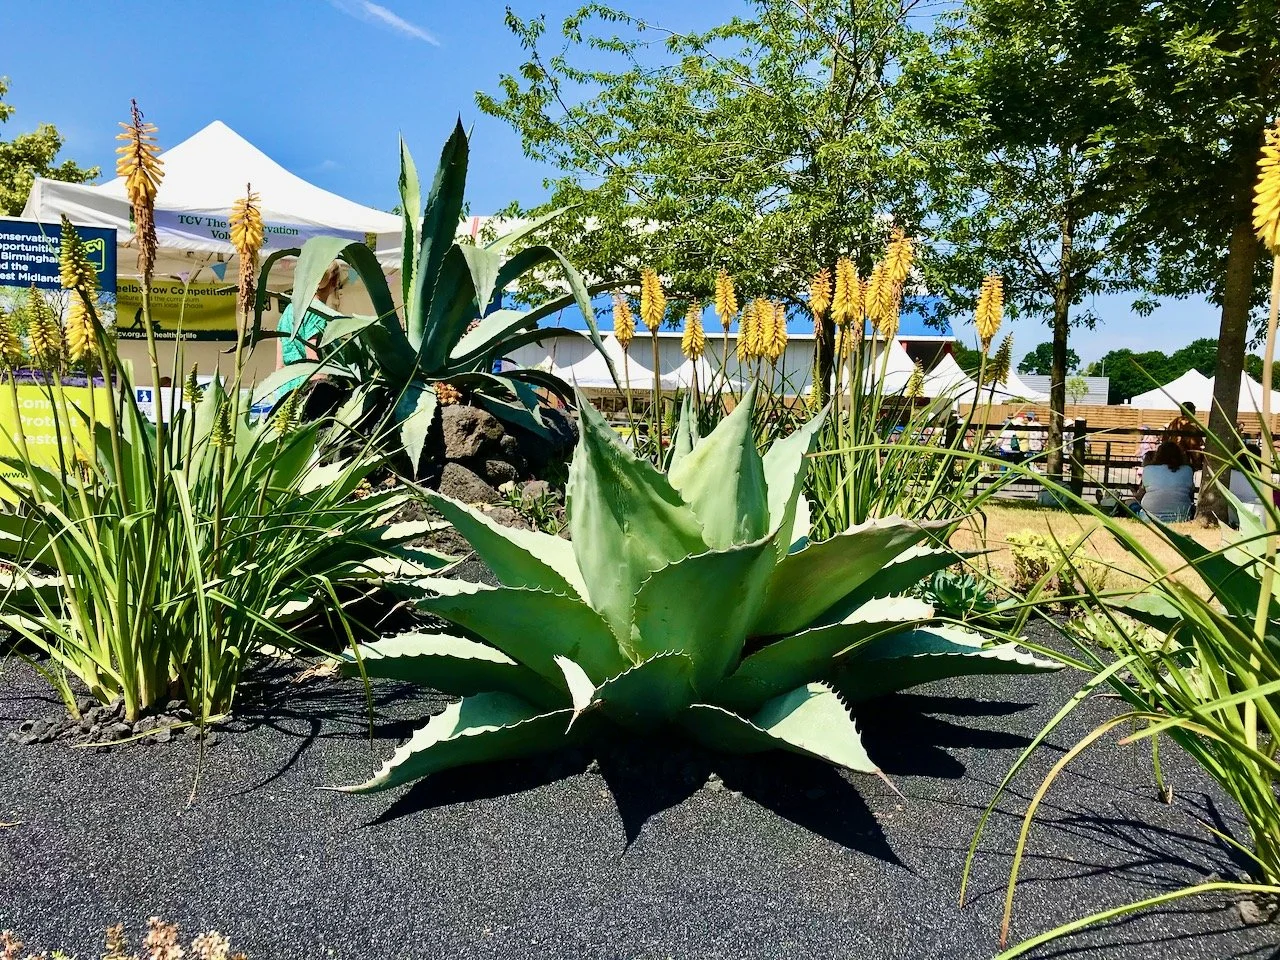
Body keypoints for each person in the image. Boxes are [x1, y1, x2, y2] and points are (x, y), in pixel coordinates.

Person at [277, 263, 344, 391]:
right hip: (309, 393)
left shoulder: (289, 310)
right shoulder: (319, 314)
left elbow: (279, 364)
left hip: (286, 391)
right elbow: (313, 359)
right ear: (335, 281)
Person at [1139, 440, 1195, 522]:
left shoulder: (1148, 469)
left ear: (1158, 455)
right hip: (1182, 516)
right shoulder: (1187, 470)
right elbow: (1190, 492)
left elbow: (1142, 493)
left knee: (1131, 505)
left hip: (1149, 517)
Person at [1162, 402, 1205, 471]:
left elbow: (1165, 439)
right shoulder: (1191, 424)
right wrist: (1197, 462)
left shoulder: (1174, 422)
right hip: (1185, 458)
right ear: (1192, 410)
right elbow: (1195, 443)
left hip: (1171, 456)